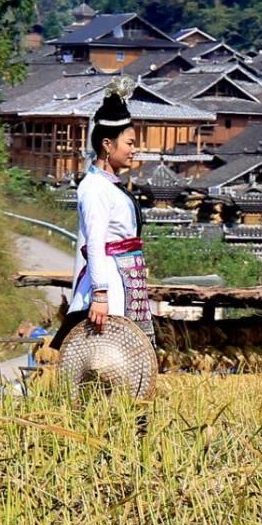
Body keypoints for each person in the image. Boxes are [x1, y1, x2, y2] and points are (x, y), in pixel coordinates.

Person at [62, 86, 153, 338]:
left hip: (126, 279)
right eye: (130, 143)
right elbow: (95, 242)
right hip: (111, 283)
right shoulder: (94, 188)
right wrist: (100, 294)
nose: (134, 149)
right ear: (107, 144)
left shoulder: (110, 185)